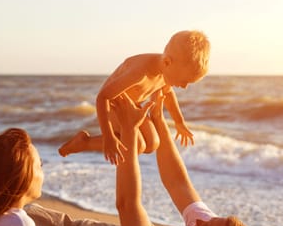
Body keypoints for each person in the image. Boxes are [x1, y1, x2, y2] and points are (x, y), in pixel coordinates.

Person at [93, 95, 258, 226]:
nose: (198, 222)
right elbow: (178, 184)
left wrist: (129, 129)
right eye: (209, 221)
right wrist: (158, 119)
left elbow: (127, 204)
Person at [58, 30, 210, 165]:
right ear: (167, 62)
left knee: (152, 144)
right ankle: (85, 143)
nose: (184, 87)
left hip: (132, 106)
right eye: (184, 81)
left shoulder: (167, 70)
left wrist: (180, 122)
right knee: (137, 145)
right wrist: (109, 137)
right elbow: (103, 97)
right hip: (112, 106)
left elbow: (168, 93)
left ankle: (95, 140)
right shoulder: (139, 73)